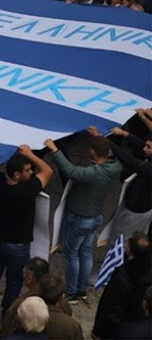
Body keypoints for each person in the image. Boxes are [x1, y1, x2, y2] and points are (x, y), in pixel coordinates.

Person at [44, 128, 122, 301]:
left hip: (80, 217)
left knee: (71, 254)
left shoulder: (93, 173)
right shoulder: (114, 166)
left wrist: (54, 149)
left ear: (93, 152)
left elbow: (70, 171)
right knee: (85, 252)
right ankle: (81, 289)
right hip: (94, 218)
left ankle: (71, 293)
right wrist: (97, 136)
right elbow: (108, 150)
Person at [0, 145, 53, 312]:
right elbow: (48, 171)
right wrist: (29, 154)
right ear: (17, 175)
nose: (31, 173)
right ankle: (8, 311)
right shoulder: (28, 189)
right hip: (19, 247)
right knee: (14, 281)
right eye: (28, 170)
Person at [92, 232, 151, 339]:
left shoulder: (122, 279)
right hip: (135, 323)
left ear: (132, 253)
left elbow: (111, 310)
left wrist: (99, 331)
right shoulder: (147, 272)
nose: (125, 247)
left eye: (128, 247)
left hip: (116, 330)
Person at [107, 115, 152, 240]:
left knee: (121, 242)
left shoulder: (149, 168)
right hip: (146, 208)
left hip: (136, 211)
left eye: (149, 147)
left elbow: (129, 160)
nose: (145, 148)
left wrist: (106, 142)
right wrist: (125, 134)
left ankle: (122, 259)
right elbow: (142, 145)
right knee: (141, 238)